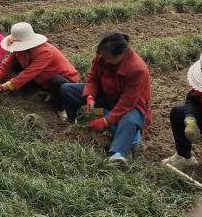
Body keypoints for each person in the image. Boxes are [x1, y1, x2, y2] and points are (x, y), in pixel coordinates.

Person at [60, 32, 152, 165]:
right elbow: (93, 79)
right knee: (68, 90)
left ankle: (117, 154)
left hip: (132, 106)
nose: (104, 60)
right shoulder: (102, 57)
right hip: (106, 96)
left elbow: (127, 103)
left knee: (130, 120)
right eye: (103, 55)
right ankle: (75, 121)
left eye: (108, 58)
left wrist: (105, 121)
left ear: (121, 54)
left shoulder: (137, 69)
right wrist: (90, 96)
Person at [0, 22, 79, 117]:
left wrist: (2, 87)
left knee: (57, 81)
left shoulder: (45, 52)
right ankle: (45, 92)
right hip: (42, 78)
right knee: (17, 67)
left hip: (65, 81)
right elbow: (6, 65)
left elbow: (28, 74)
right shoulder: (20, 51)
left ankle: (62, 108)